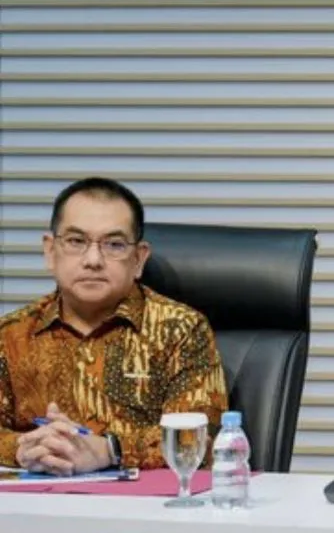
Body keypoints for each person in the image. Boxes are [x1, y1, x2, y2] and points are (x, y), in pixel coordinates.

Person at [0, 177, 228, 475]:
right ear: (50, 251)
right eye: (76, 241)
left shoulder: (180, 330)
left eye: (114, 245)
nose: (93, 260)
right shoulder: (11, 334)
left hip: (146, 502)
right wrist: (25, 448)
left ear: (138, 259)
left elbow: (200, 439)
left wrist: (111, 450)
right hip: (37, 498)